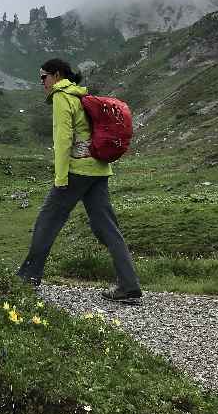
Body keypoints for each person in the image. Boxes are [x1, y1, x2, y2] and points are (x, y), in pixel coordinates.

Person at [16, 58, 143, 304]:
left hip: (76, 172)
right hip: (98, 170)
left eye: (43, 77)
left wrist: (61, 177)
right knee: (107, 228)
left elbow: (63, 139)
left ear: (57, 75)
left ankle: (27, 279)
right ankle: (129, 285)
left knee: (47, 221)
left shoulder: (63, 97)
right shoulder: (81, 96)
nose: (41, 82)